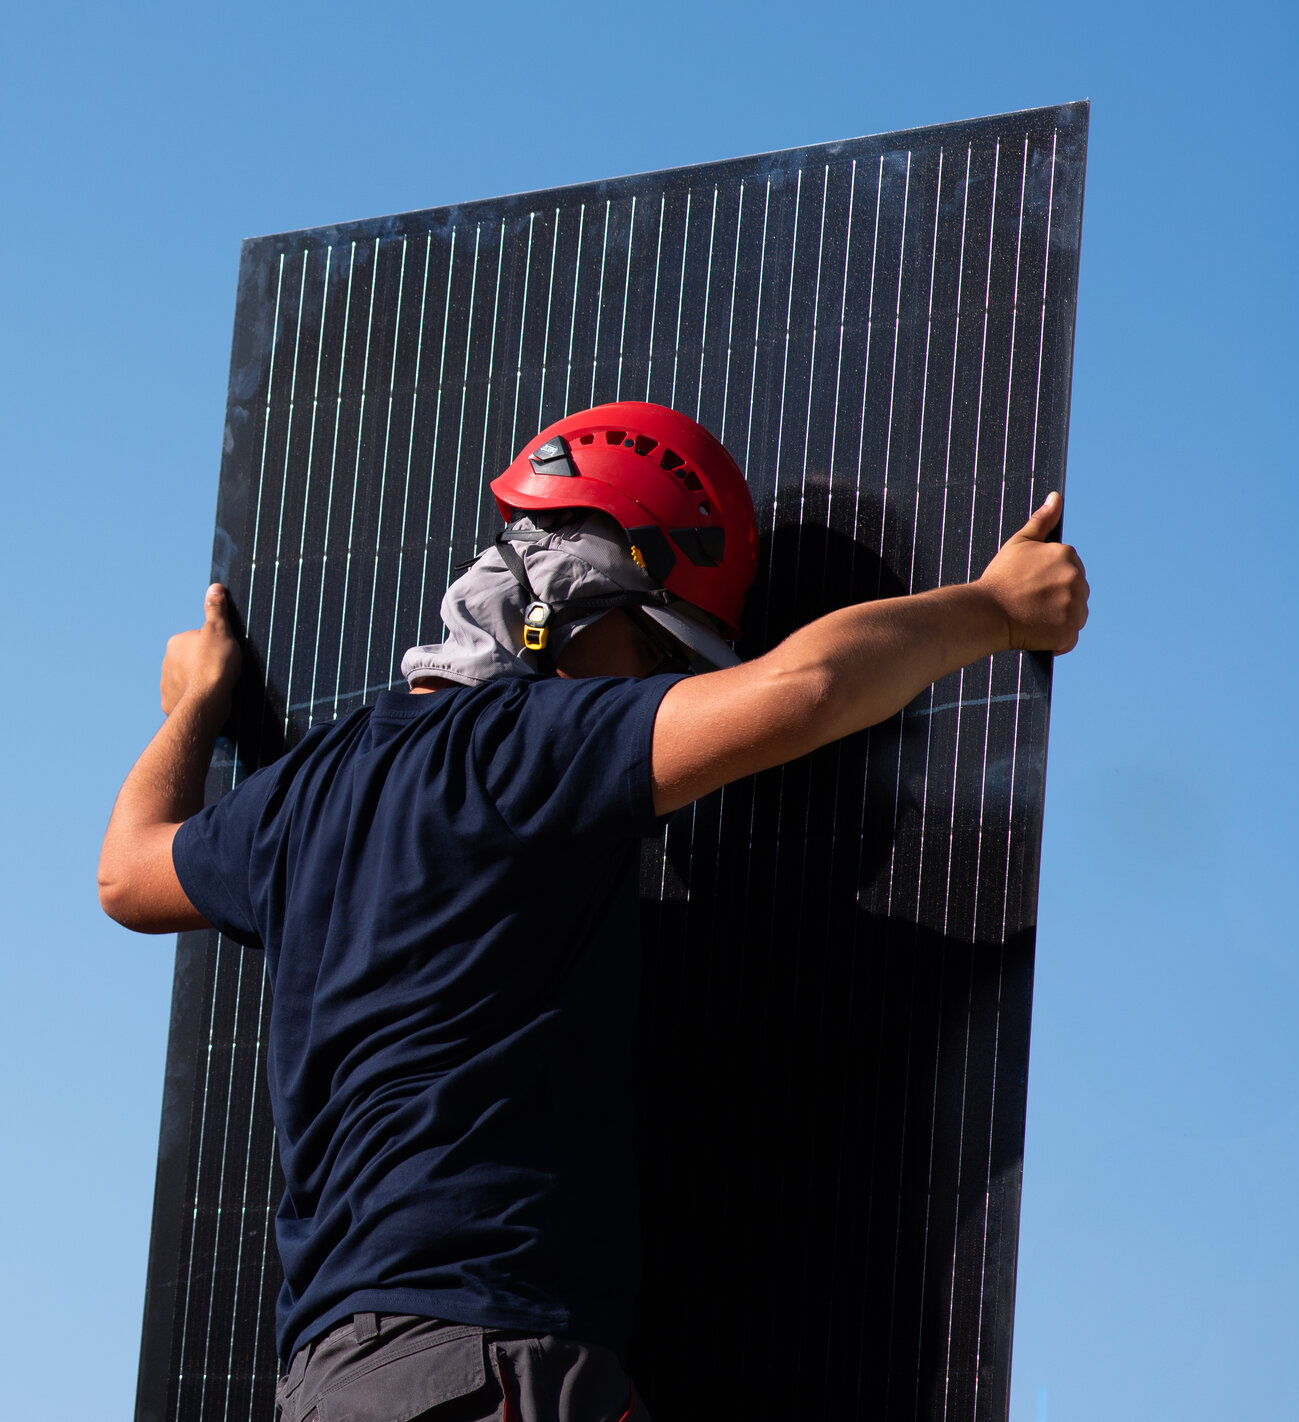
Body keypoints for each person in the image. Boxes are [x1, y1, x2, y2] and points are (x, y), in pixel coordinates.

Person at [94, 402, 1088, 1422]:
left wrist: (195, 704)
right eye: (660, 654)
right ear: (570, 597)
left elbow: (126, 874)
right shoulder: (523, 749)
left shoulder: (298, 800)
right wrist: (994, 609)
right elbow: (811, 686)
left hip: (330, 1383)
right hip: (491, 1367)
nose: (670, 692)